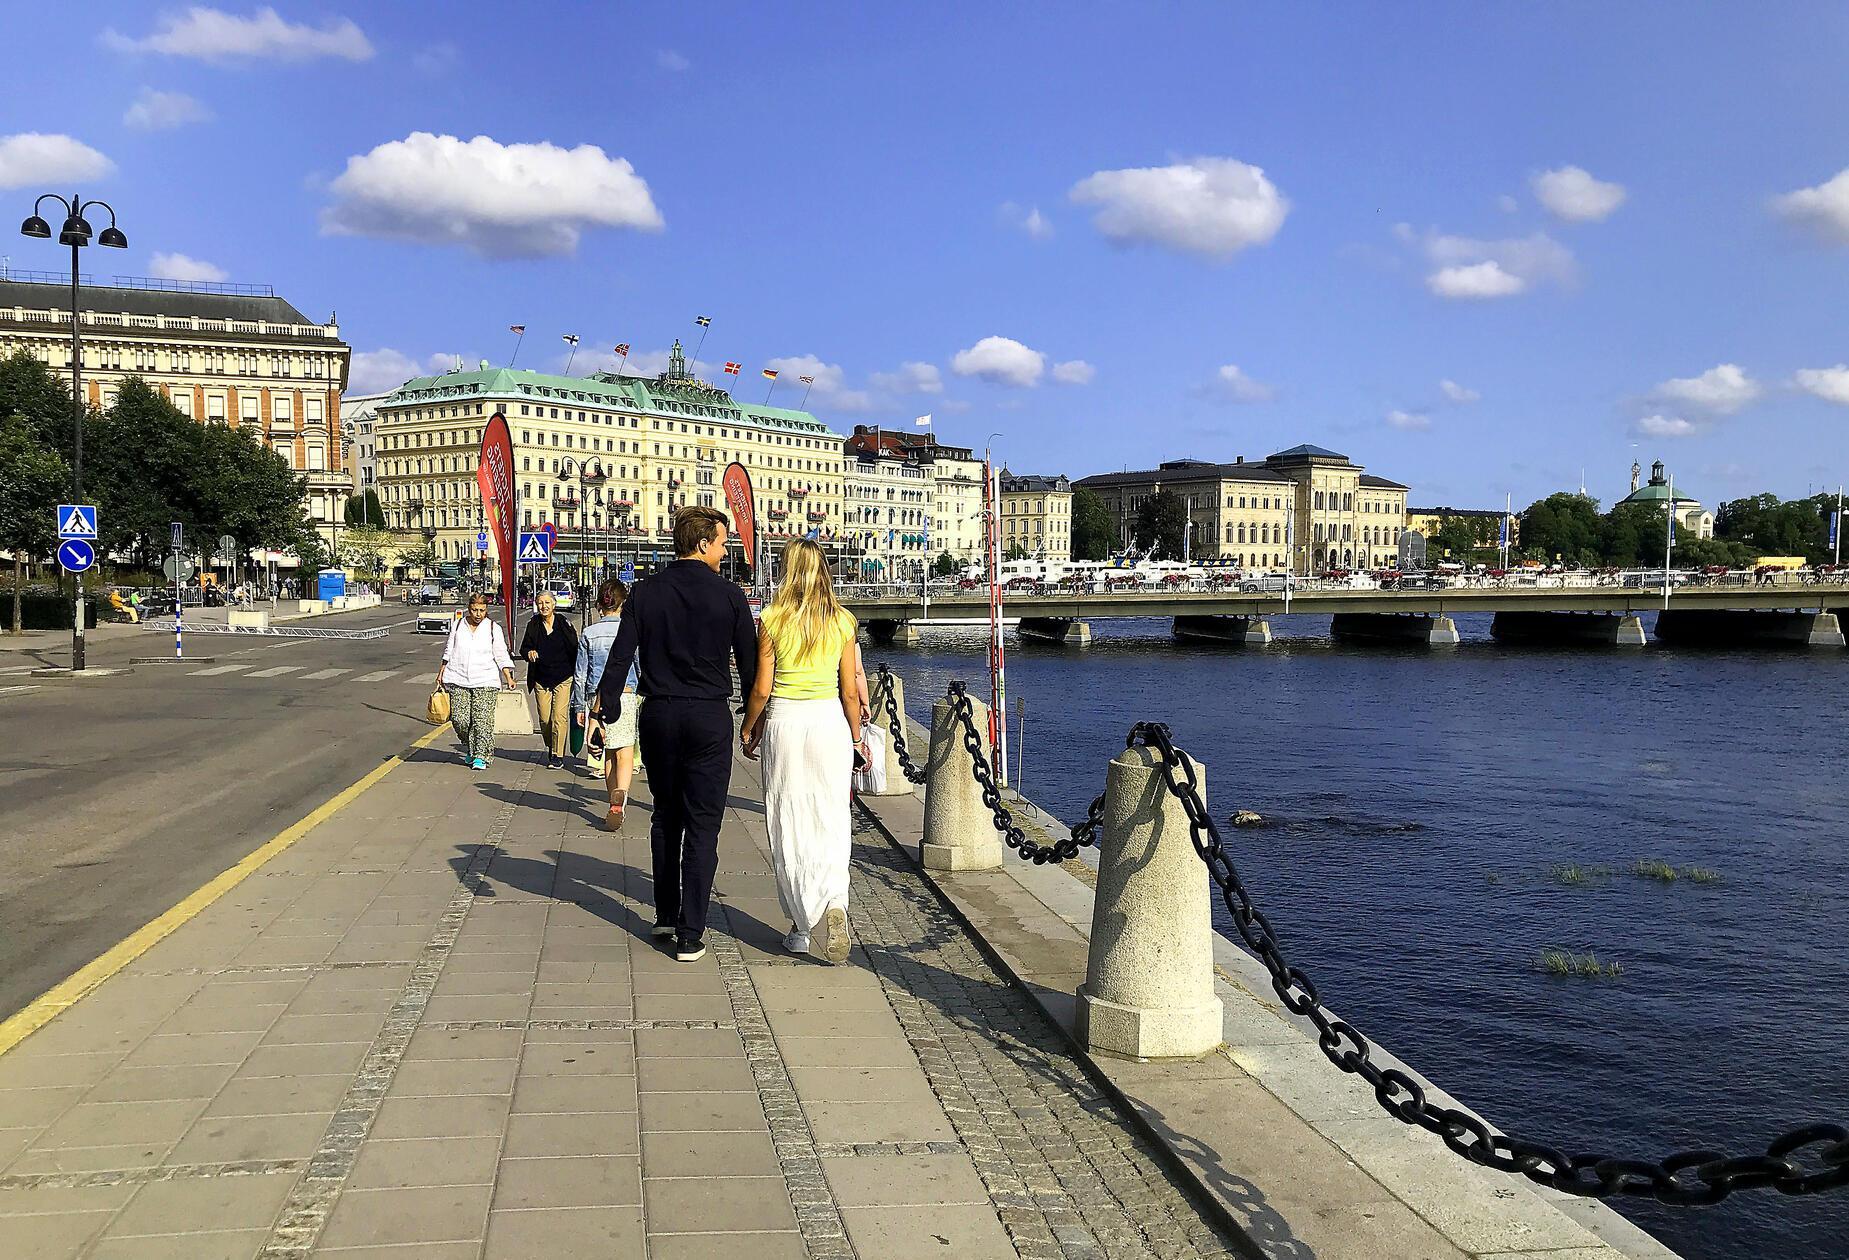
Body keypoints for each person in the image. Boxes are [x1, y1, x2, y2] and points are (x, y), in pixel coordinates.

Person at [597, 506, 757, 963]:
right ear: (703, 543)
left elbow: (622, 653)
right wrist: (752, 718)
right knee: (704, 824)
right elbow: (748, 663)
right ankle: (691, 933)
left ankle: (665, 913)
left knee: (666, 815)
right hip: (708, 717)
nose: (725, 552)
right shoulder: (729, 596)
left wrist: (606, 704)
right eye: (723, 543)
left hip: (659, 714)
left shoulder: (646, 593)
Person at [741, 539, 863, 963]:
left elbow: (761, 687)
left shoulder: (772, 619)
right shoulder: (843, 621)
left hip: (786, 723)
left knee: (788, 820)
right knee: (831, 818)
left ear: (786, 568)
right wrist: (857, 736)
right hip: (829, 721)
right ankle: (834, 903)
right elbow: (849, 692)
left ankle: (800, 923)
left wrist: (748, 726)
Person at [574, 578, 640, 830]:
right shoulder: (630, 630)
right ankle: (619, 799)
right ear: (623, 603)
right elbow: (638, 665)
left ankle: (612, 795)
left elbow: (580, 674)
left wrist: (580, 707)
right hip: (626, 693)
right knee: (625, 751)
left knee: (607, 751)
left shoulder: (589, 633)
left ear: (600, 604)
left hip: (596, 698)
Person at [438, 592, 517, 771]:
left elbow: (501, 654)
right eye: (474, 610)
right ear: (469, 609)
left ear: (486, 610)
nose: (478, 614)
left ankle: (481, 755)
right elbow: (448, 651)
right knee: (460, 719)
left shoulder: (492, 628)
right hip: (458, 678)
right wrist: (441, 673)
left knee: (482, 720)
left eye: (482, 610)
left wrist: (508, 677)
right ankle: (473, 747)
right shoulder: (458, 625)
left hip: (486, 679)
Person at [519, 590, 579, 770]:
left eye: (547, 603)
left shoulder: (563, 623)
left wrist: (579, 673)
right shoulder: (533, 624)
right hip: (541, 678)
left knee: (559, 717)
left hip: (563, 677)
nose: (544, 606)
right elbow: (525, 648)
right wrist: (529, 653)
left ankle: (557, 755)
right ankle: (552, 744)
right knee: (545, 719)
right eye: (540, 603)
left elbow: (574, 647)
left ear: (554, 604)